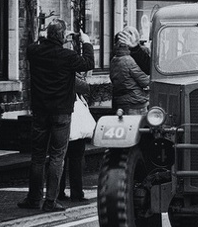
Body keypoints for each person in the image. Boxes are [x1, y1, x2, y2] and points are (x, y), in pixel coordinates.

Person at [18, 19, 94, 212]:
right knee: (57, 156)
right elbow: (88, 63)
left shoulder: (35, 52)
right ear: (62, 37)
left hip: (40, 111)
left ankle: (33, 198)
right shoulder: (67, 56)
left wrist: (47, 35)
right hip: (61, 112)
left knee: (37, 156)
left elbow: (33, 44)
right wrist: (85, 42)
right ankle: (50, 201)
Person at [58, 72, 91, 202]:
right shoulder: (67, 71)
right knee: (76, 159)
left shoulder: (45, 71)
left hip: (55, 117)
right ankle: (77, 193)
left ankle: (56, 193)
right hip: (73, 119)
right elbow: (84, 87)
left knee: (58, 158)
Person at [111, 28, 151, 115]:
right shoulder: (128, 60)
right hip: (135, 101)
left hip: (121, 100)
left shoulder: (115, 58)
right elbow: (145, 81)